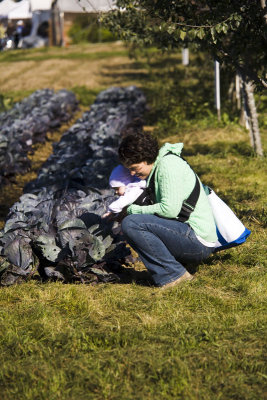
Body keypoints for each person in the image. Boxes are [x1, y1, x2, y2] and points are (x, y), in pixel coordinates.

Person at [117, 132, 218, 288]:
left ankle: (173, 275)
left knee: (131, 223)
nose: (132, 173)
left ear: (147, 158)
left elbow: (169, 210)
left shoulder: (168, 166)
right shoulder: (159, 166)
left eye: (135, 168)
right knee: (134, 221)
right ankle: (175, 267)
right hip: (187, 232)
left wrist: (133, 210)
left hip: (198, 241)